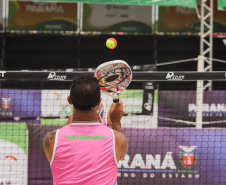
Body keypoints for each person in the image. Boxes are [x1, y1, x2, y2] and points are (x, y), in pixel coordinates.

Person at [43, 73, 128, 185]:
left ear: (69, 100)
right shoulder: (116, 138)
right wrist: (116, 121)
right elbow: (120, 155)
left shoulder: (51, 139)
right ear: (99, 102)